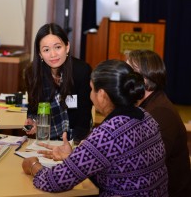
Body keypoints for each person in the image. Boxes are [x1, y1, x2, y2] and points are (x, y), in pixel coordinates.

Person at [22, 60, 168, 196]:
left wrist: (33, 165)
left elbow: (54, 181)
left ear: (102, 95)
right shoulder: (146, 117)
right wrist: (73, 157)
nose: (89, 95)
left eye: (91, 89)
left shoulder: (108, 134)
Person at [126, 49, 191, 197]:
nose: (124, 78)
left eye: (129, 73)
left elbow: (146, 164)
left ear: (147, 78)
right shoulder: (147, 104)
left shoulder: (160, 111)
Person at [24, 23, 92, 143]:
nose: (53, 54)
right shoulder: (32, 73)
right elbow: (33, 107)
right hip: (45, 139)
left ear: (67, 47)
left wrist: (74, 147)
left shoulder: (82, 71)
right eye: (46, 50)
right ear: (40, 53)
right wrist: (32, 120)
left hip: (75, 139)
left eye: (58, 47)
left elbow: (84, 116)